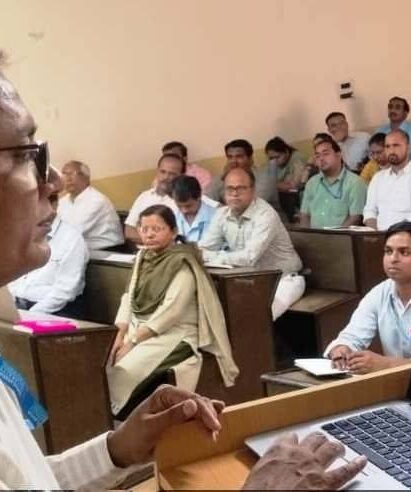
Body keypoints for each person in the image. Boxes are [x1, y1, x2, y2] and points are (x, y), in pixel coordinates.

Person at [0, 52, 365, 490]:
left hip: (263, 286)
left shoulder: (252, 220)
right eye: (26, 154)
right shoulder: (160, 251)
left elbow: (30, 480)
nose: (55, 180)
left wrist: (116, 450)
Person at [107, 205, 237, 419]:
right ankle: (116, 419)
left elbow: (170, 313)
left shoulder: (182, 262)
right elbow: (128, 298)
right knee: (107, 361)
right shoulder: (142, 257)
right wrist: (120, 335)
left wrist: (132, 342)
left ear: (173, 231)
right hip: (140, 330)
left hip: (174, 334)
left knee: (124, 370)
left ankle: (122, 419)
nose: (149, 234)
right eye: (144, 229)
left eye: (157, 229)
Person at [325, 222, 411, 373]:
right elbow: (352, 336)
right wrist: (342, 349)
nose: (393, 259)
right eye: (388, 251)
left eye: (404, 252)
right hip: (392, 381)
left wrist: (387, 364)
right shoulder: (380, 292)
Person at [200, 167, 305, 320]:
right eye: (230, 188)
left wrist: (216, 256)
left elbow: (249, 258)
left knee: (257, 317)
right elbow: (202, 250)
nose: (234, 193)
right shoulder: (221, 214)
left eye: (240, 188)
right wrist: (210, 255)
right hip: (248, 282)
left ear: (253, 190)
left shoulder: (265, 214)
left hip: (284, 281)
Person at [9, 191, 88, 315]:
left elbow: (65, 291)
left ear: (54, 206)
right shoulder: (23, 231)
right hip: (16, 303)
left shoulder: (72, 238)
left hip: (54, 309)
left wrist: (30, 314)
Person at [363, 130, 411, 230]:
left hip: (406, 236)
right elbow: (369, 211)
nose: (391, 151)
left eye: (396, 145)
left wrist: (391, 235)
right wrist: (377, 233)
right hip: (377, 234)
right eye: (387, 146)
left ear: (408, 148)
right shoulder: (378, 178)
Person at [299, 137, 367, 228]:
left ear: (339, 155)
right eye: (317, 156)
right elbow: (304, 215)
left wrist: (336, 235)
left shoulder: (355, 182)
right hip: (313, 235)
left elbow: (355, 218)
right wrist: (306, 235)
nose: (321, 158)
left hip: (341, 235)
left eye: (325, 154)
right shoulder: (312, 183)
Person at [57, 159, 123, 250]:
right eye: (64, 174)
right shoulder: (62, 201)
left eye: (73, 174)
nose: (68, 179)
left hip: (107, 250)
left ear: (86, 178)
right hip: (79, 249)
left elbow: (74, 231)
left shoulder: (96, 200)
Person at [206, 139, 282, 214]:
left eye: (239, 157)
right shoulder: (222, 178)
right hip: (235, 220)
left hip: (265, 218)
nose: (233, 161)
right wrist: (223, 178)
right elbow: (205, 199)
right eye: (230, 157)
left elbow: (250, 205)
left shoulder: (265, 177)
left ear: (250, 159)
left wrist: (222, 210)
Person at [124, 153, 184, 244]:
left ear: (182, 176)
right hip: (144, 249)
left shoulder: (184, 201)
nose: (166, 177)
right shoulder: (144, 196)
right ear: (157, 171)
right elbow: (129, 231)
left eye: (172, 174)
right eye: (163, 172)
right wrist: (153, 242)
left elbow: (181, 236)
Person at [376, 96, 411, 164]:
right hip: (384, 168)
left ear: (405, 113)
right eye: (390, 107)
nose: (392, 110)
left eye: (397, 107)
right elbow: (374, 152)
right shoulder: (381, 130)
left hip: (408, 169)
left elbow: (401, 154)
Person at [171, 175, 217, 243]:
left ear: (199, 196)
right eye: (179, 206)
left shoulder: (216, 216)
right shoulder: (172, 216)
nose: (184, 211)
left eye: (188, 206)